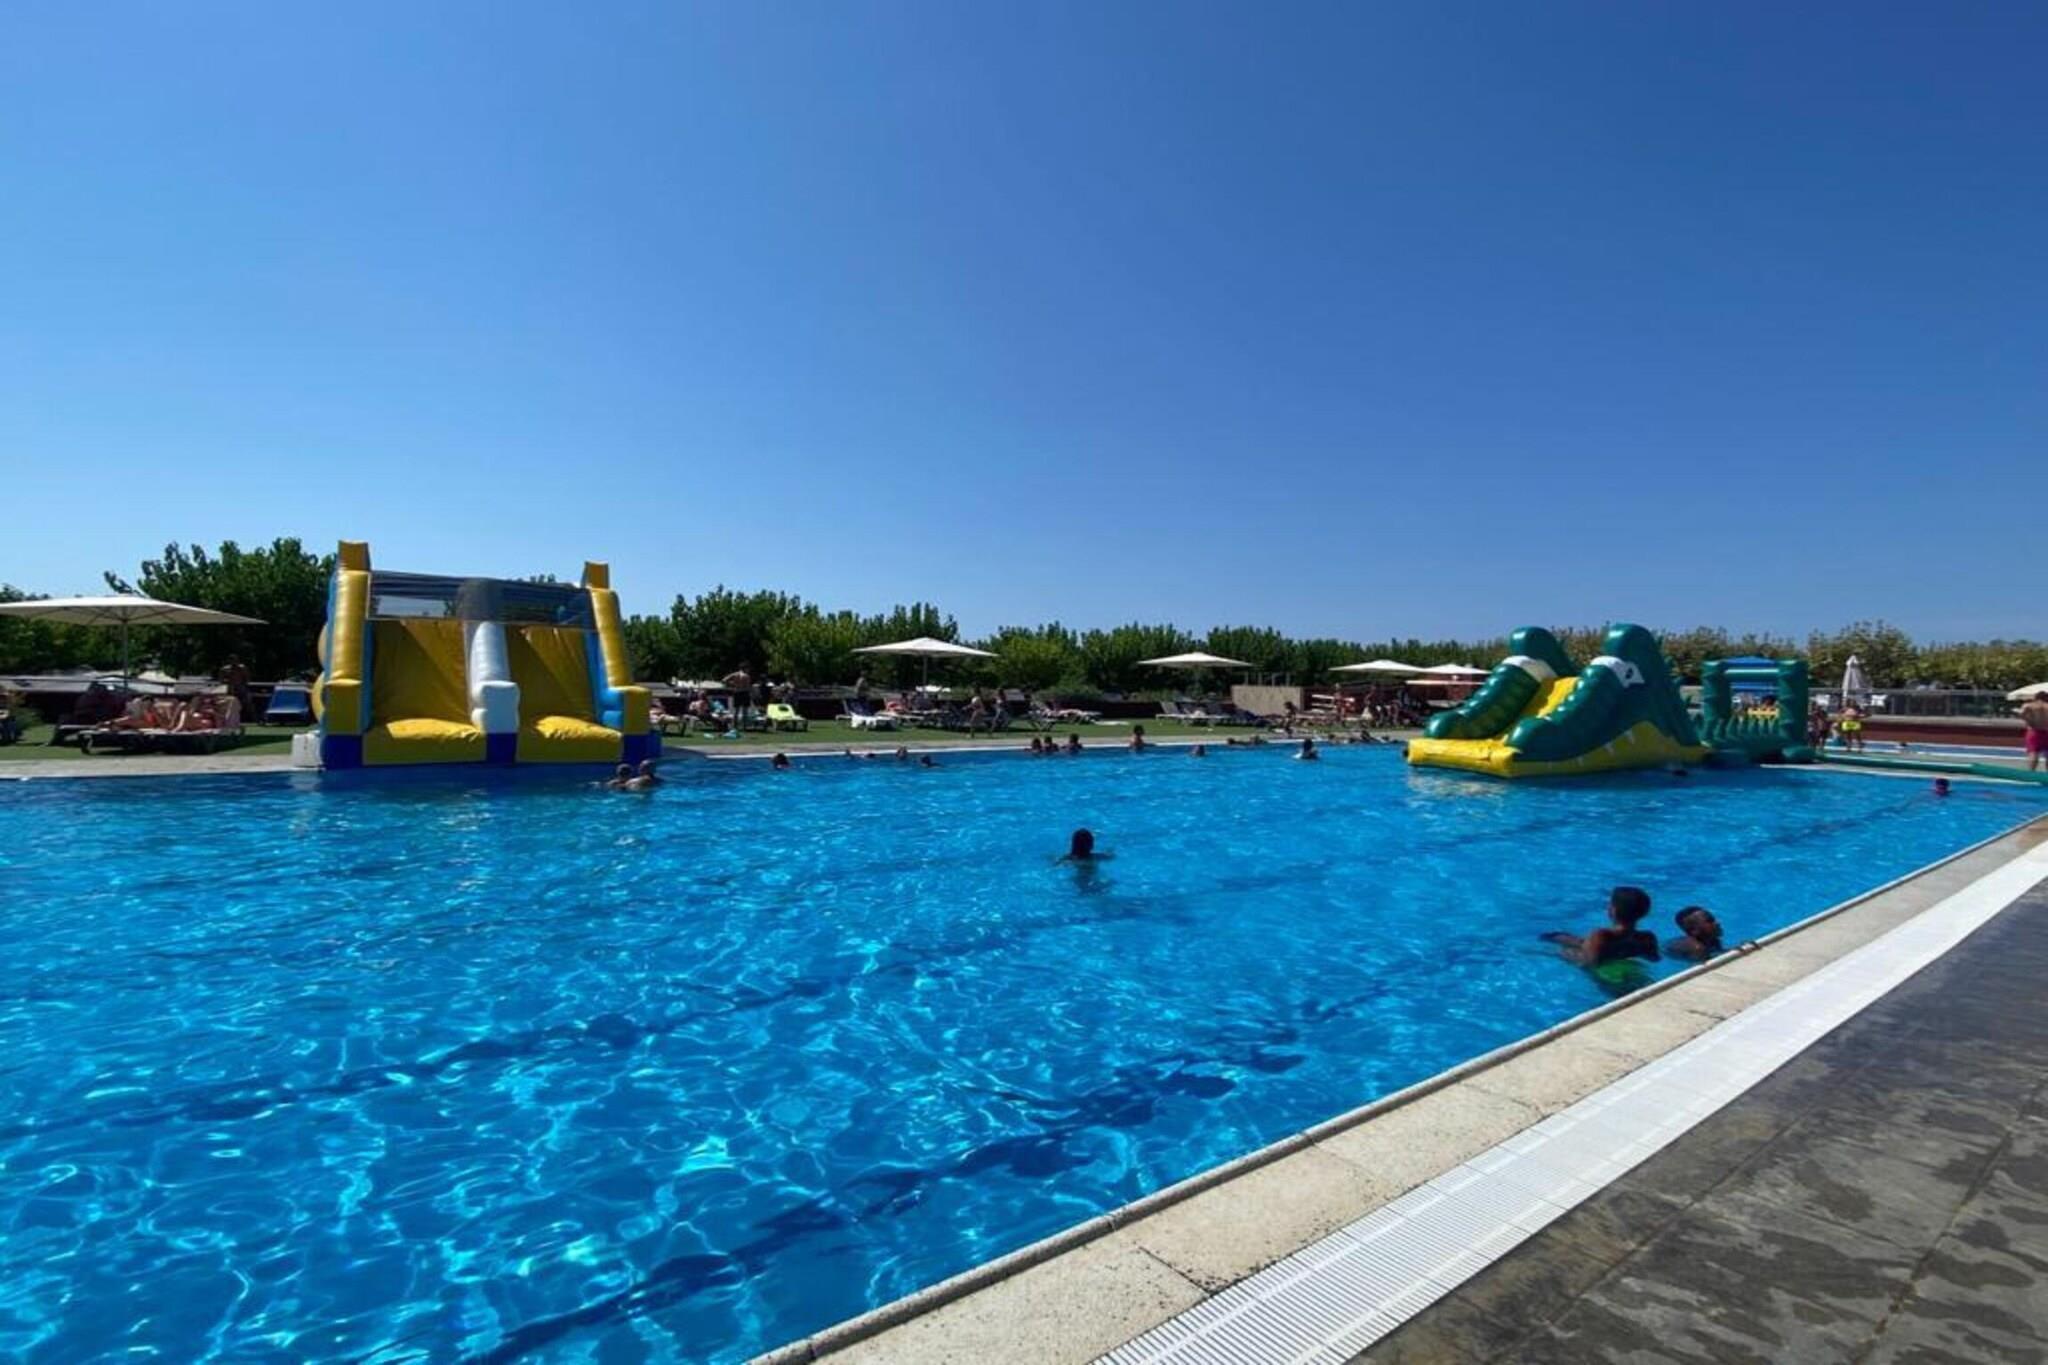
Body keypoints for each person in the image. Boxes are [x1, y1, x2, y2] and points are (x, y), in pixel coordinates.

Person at [1543, 886, 1661, 996]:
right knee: (1572, 941)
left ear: (1612, 910)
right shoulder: (1647, 938)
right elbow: (1654, 958)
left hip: (1613, 984)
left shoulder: (1600, 935)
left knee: (1556, 949)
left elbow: (1587, 963)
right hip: (1638, 978)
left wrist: (1563, 954)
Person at [2022, 692, 2048, 773]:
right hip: (2046, 731)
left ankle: (2031, 773)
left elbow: (2022, 714)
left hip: (2034, 731)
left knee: (2033, 753)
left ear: (2036, 698)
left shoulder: (2029, 706)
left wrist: (2029, 721)